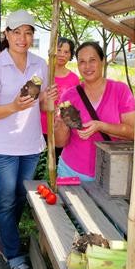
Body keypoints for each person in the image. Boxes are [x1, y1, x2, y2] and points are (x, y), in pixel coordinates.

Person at [0, 9, 57, 269]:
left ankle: (5, 240)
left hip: (32, 144)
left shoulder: (40, 64)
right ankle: (14, 256)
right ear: (7, 35)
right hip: (2, 147)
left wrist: (50, 99)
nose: (22, 38)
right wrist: (13, 105)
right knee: (5, 200)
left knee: (21, 197)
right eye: (16, 32)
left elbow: (43, 106)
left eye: (27, 32)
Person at [54, 41, 135, 181]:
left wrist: (100, 126)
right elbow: (60, 143)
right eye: (82, 62)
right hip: (70, 171)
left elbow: (133, 132)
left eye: (92, 60)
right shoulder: (69, 96)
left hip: (109, 174)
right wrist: (60, 124)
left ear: (102, 61)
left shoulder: (120, 91)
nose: (87, 67)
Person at [37, 37, 80, 175]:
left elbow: (74, 106)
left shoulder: (74, 78)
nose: (62, 54)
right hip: (39, 128)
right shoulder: (41, 72)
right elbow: (29, 99)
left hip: (60, 130)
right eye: (59, 50)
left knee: (54, 167)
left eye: (66, 52)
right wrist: (45, 100)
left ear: (70, 55)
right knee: (38, 167)